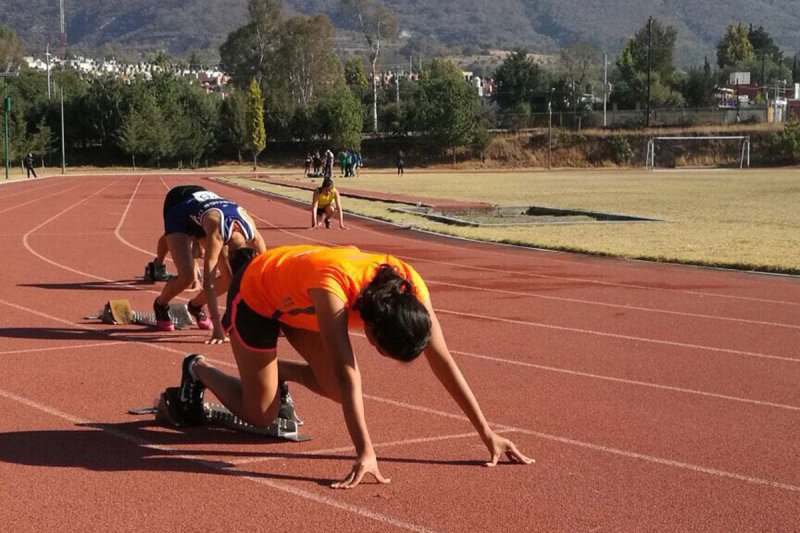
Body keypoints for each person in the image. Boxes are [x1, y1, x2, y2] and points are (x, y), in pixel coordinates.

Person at [174, 244, 533, 489]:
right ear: (373, 327)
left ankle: (274, 372)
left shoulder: (412, 291)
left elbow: (444, 363)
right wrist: (365, 452)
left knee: (333, 391)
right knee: (261, 415)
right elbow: (349, 373)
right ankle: (199, 369)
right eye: (381, 350)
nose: (377, 354)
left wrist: (488, 435)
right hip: (257, 293)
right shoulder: (334, 291)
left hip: (300, 299)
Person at [153, 185, 267, 343]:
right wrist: (218, 327)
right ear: (231, 254)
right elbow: (209, 283)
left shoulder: (254, 234)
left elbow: (267, 275)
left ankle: (196, 305)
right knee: (187, 277)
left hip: (203, 209)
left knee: (229, 279)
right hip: (178, 206)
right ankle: (161, 304)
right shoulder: (217, 236)